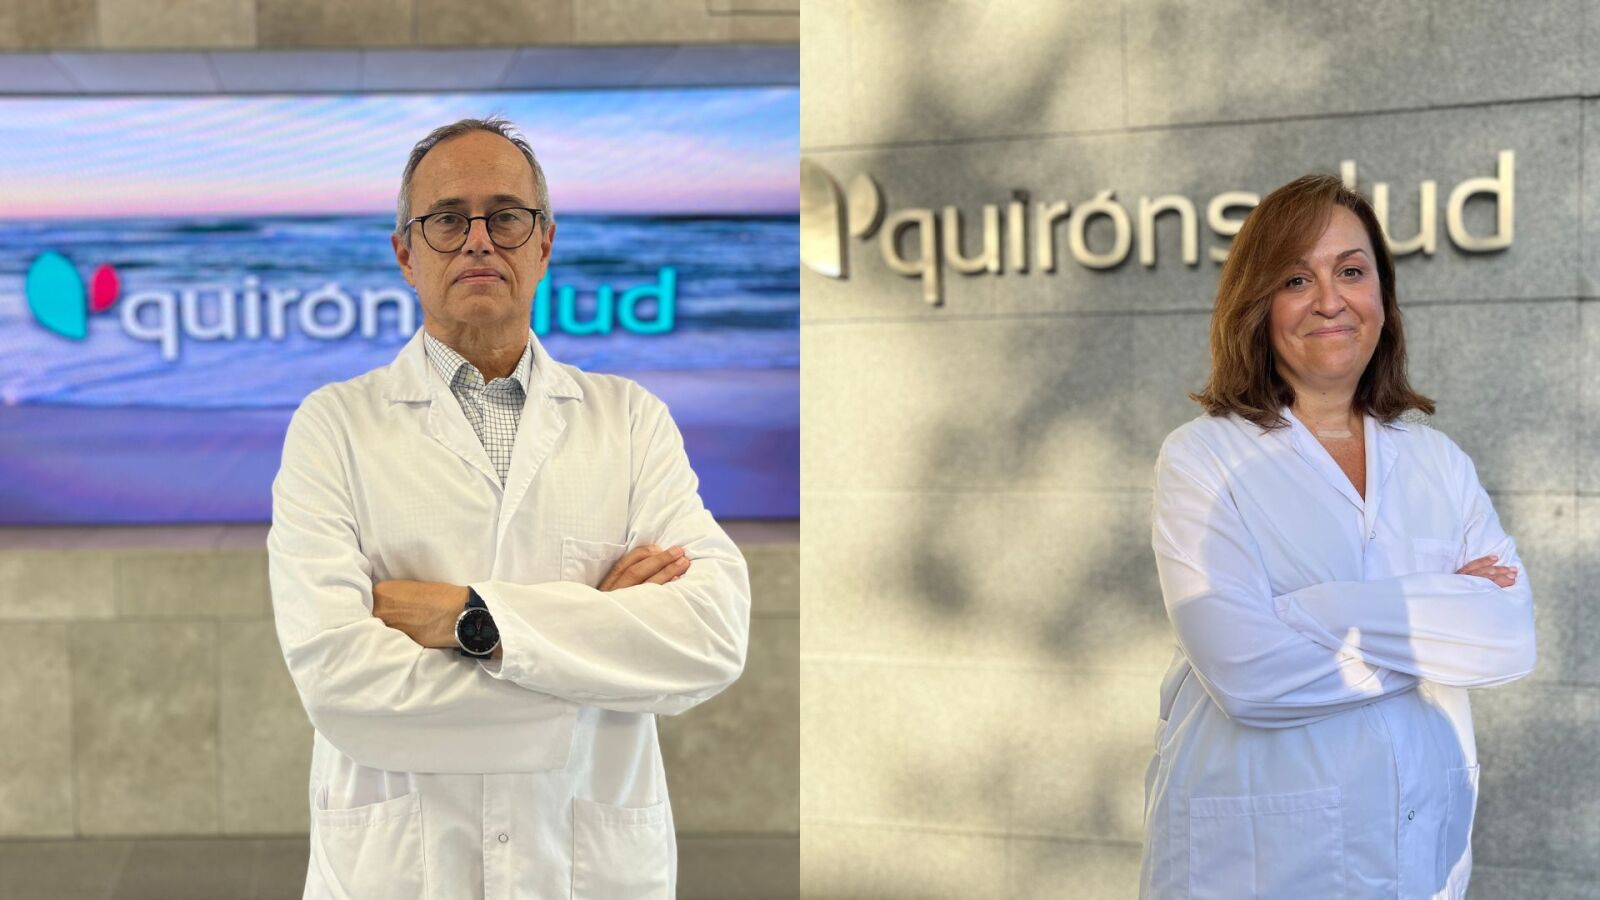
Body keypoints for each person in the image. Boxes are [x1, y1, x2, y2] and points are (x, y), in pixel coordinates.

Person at [268, 117, 750, 899]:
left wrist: (469, 620)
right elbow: (338, 683)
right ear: (406, 254)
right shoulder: (334, 427)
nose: (478, 241)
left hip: (588, 869)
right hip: (400, 871)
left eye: (506, 217)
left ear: (544, 243)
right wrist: (595, 653)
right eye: (447, 219)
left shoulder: (630, 420)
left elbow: (711, 635)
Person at [1138, 175, 1535, 899]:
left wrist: (1314, 611)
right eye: (1297, 279)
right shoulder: (1203, 459)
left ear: (1382, 294)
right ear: (1257, 304)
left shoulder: (1439, 462)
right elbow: (1249, 677)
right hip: (1259, 862)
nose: (1330, 300)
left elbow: (1507, 637)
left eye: (1351, 271)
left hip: (1421, 853)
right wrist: (1440, 618)